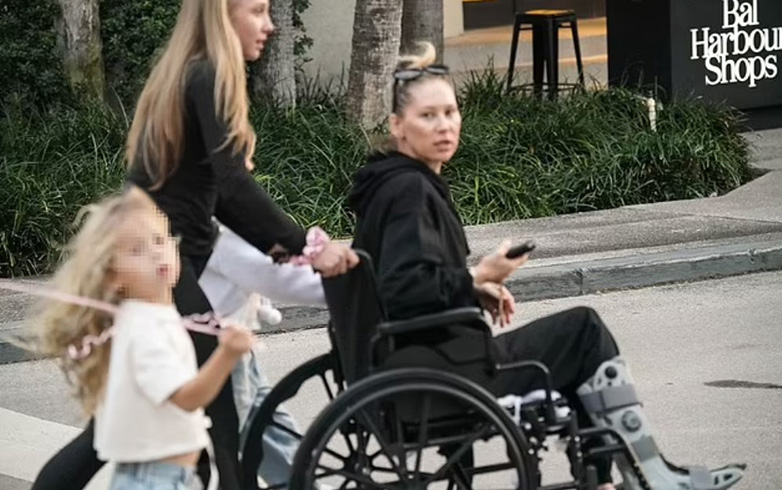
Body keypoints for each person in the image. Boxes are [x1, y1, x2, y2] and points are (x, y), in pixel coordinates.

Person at [346, 42, 746, 490]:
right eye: (428, 116)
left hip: (418, 361)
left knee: (573, 343)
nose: (444, 125)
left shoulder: (393, 183)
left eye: (451, 112)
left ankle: (611, 477)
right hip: (446, 371)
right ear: (397, 125)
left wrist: (471, 289)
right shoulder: (409, 191)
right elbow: (403, 288)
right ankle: (645, 473)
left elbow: (403, 281)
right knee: (583, 331)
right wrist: (478, 275)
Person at [31, 0, 358, 489]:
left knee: (135, 423)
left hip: (159, 252)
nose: (269, 25)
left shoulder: (194, 70)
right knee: (216, 412)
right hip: (158, 256)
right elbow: (232, 186)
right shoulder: (209, 74)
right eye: (258, 11)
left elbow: (218, 197)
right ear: (222, 14)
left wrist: (291, 250)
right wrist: (308, 246)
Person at [30, 187, 254, 490]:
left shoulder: (152, 317)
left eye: (160, 241)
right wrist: (227, 355)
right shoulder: (147, 331)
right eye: (137, 250)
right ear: (113, 276)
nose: (155, 252)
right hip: (154, 481)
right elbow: (186, 399)